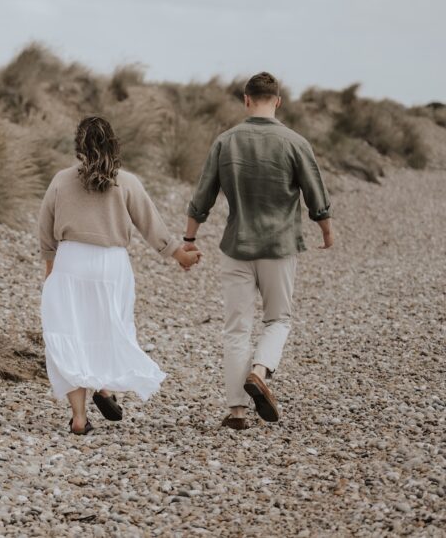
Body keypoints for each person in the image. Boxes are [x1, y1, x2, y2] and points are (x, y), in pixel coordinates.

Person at [184, 71, 333, 431]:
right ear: (278, 101)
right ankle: (260, 371)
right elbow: (316, 194)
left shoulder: (226, 142)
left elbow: (202, 196)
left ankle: (236, 411)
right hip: (279, 248)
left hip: (236, 245)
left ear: (246, 99)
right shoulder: (295, 142)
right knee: (278, 319)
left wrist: (189, 239)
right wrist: (325, 228)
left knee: (236, 327)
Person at [38, 116, 202, 435]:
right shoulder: (126, 182)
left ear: (78, 148)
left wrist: (50, 268)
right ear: (113, 144)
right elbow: (150, 225)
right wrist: (179, 254)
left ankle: (79, 418)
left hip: (72, 259)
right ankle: (103, 387)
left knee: (72, 333)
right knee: (108, 329)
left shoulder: (61, 180)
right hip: (112, 264)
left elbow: (45, 228)